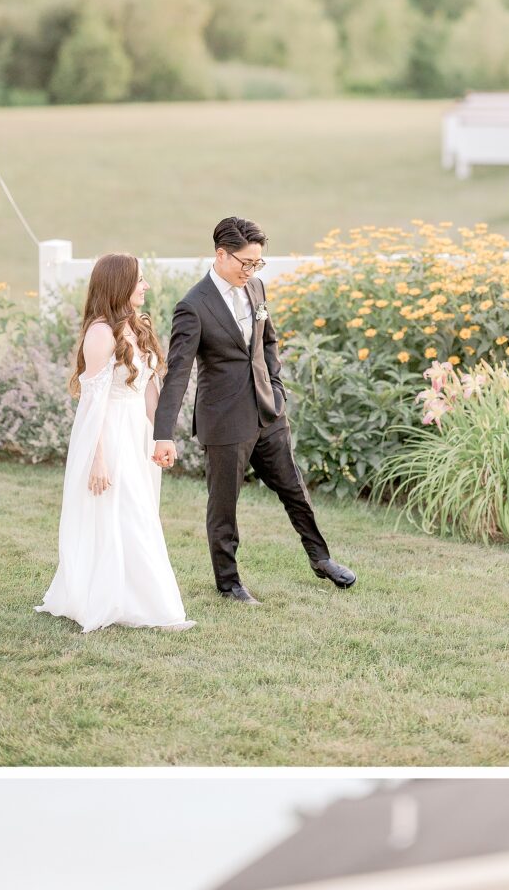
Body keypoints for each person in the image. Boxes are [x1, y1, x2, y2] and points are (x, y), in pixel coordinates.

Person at [151, 216, 356, 604]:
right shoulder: (192, 307)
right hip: (225, 421)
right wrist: (163, 434)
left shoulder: (256, 288)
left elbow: (267, 344)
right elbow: (176, 374)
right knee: (224, 507)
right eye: (246, 263)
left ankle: (322, 559)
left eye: (257, 263)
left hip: (268, 412)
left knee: (295, 490)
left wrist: (277, 391)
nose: (252, 270)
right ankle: (229, 584)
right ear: (221, 255)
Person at [36, 255, 191, 634]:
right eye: (140, 280)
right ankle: (149, 605)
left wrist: (161, 436)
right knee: (125, 514)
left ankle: (131, 595)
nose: (146, 286)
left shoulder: (137, 327)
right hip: (109, 436)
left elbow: (149, 392)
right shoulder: (101, 333)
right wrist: (97, 459)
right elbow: (94, 404)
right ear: (120, 284)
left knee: (138, 513)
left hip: (136, 432)